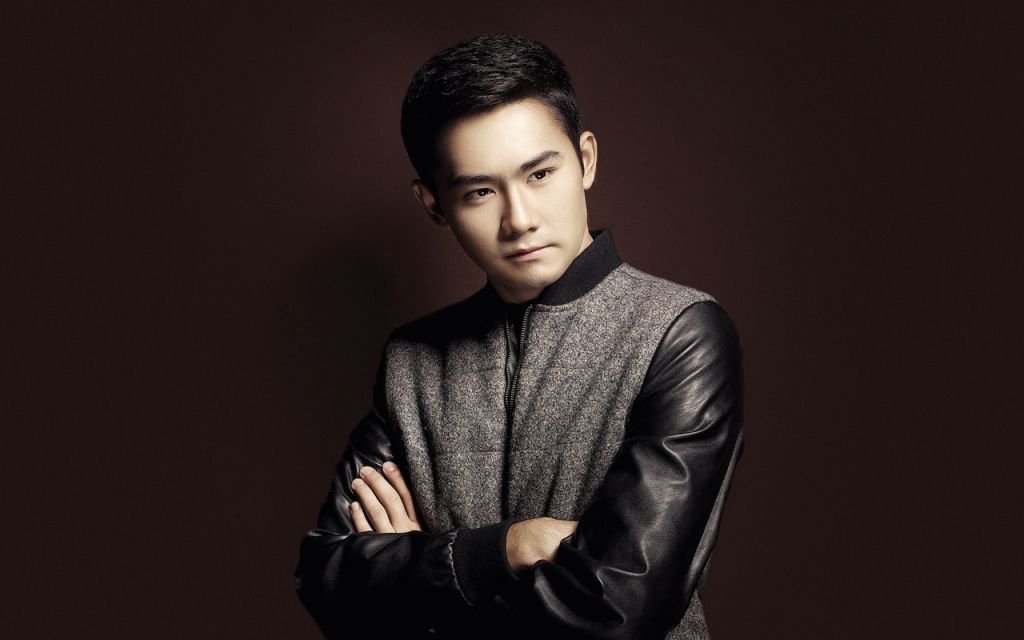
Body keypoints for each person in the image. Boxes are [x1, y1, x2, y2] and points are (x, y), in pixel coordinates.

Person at [295, 34, 744, 640]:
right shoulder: (411, 362)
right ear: (434, 205)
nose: (520, 219)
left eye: (540, 174)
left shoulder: (680, 332)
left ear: (585, 160)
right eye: (480, 192)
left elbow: (616, 610)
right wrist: (505, 549)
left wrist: (422, 576)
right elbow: (326, 579)